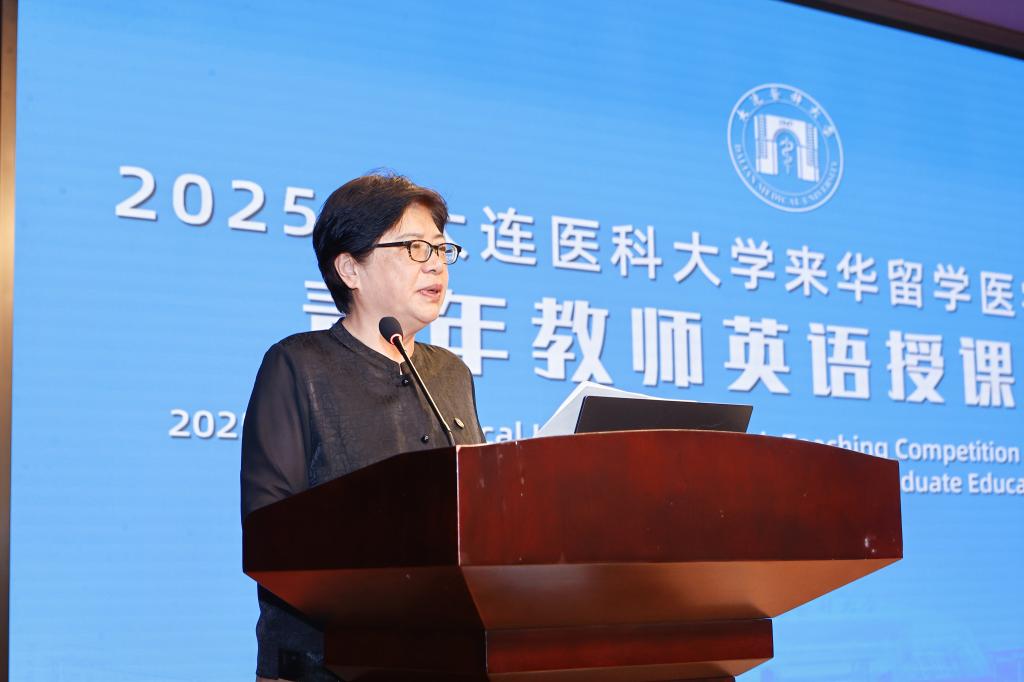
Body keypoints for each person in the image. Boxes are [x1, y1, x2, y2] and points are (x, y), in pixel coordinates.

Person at [240, 172, 486, 682]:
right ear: (350, 267)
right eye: (415, 248)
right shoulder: (298, 366)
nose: (436, 263)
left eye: (441, 248)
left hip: (445, 656)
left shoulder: (452, 373)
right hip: (323, 664)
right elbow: (270, 532)